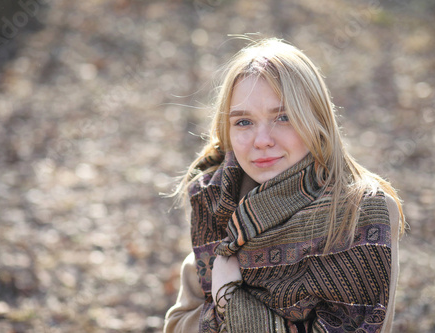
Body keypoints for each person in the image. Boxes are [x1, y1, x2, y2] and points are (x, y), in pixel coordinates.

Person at [164, 38, 405, 333]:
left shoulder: (362, 210)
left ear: (315, 120)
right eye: (243, 122)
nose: (262, 140)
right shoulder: (219, 199)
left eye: (283, 117)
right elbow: (177, 324)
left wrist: (228, 301)